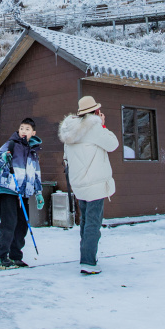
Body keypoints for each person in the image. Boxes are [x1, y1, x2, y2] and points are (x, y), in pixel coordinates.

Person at [58, 96, 118, 276]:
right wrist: (102, 124)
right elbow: (113, 144)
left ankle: (86, 256)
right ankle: (89, 262)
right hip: (95, 184)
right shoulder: (94, 128)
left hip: (79, 184)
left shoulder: (70, 130)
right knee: (93, 222)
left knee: (85, 221)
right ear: (96, 112)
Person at [0, 118, 43, 270]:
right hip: (8, 189)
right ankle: (1, 256)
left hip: (24, 193)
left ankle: (15, 256)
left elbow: (36, 174)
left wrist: (38, 193)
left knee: (22, 225)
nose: (23, 131)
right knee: (9, 223)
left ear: (33, 133)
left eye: (27, 129)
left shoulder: (34, 152)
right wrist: (4, 158)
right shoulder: (11, 144)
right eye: (21, 128)